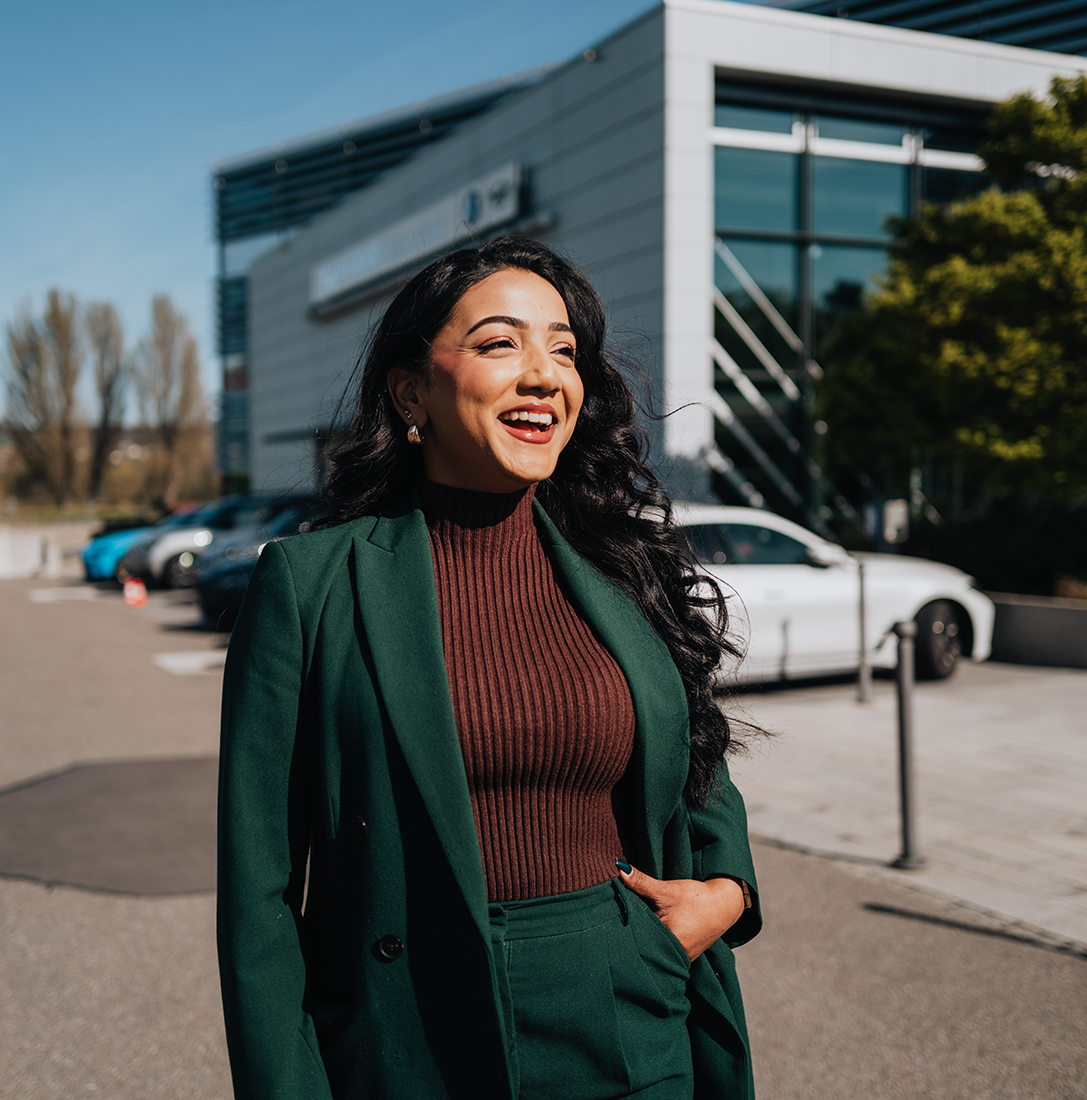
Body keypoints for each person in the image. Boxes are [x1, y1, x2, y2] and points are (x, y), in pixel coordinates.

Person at [217, 235, 762, 1100]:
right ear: (410, 391)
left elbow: (697, 754)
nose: (544, 374)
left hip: (627, 1015)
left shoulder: (623, 567)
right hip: (407, 1041)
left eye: (564, 351)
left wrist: (726, 887)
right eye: (501, 343)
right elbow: (259, 887)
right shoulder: (310, 584)